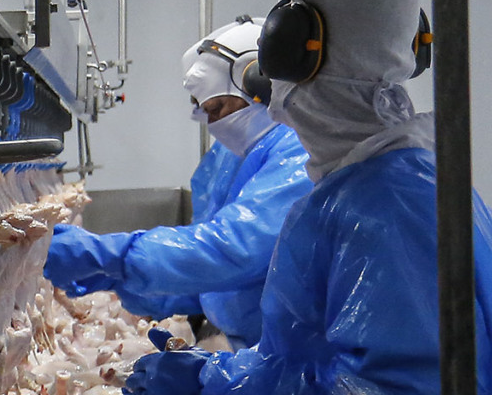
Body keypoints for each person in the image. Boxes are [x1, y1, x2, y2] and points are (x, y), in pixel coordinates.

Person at [106, 0, 492, 395]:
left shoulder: (387, 206)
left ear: (291, 55)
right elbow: (330, 355)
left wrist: (218, 387)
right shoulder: (381, 182)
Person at [42, 19, 313, 343]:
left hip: (294, 354)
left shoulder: (300, 152)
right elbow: (211, 282)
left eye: (217, 108)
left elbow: (233, 250)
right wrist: (120, 280)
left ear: (260, 86)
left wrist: (114, 256)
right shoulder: (237, 154)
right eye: (207, 113)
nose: (214, 123)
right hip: (256, 348)